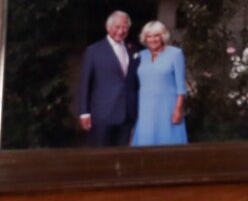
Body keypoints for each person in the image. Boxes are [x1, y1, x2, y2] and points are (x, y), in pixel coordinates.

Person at [77, 10, 138, 146]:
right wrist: (84, 112)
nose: (121, 31)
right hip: (102, 115)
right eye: (117, 27)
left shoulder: (133, 49)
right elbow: (85, 84)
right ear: (108, 27)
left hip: (127, 115)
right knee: (101, 157)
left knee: (123, 158)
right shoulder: (93, 51)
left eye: (125, 27)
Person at [130, 21, 187, 146]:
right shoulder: (141, 55)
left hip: (167, 107)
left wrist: (178, 109)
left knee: (168, 143)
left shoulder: (176, 54)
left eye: (156, 35)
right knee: (144, 144)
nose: (153, 39)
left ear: (163, 36)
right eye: (149, 36)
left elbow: (181, 86)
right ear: (145, 38)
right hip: (145, 108)